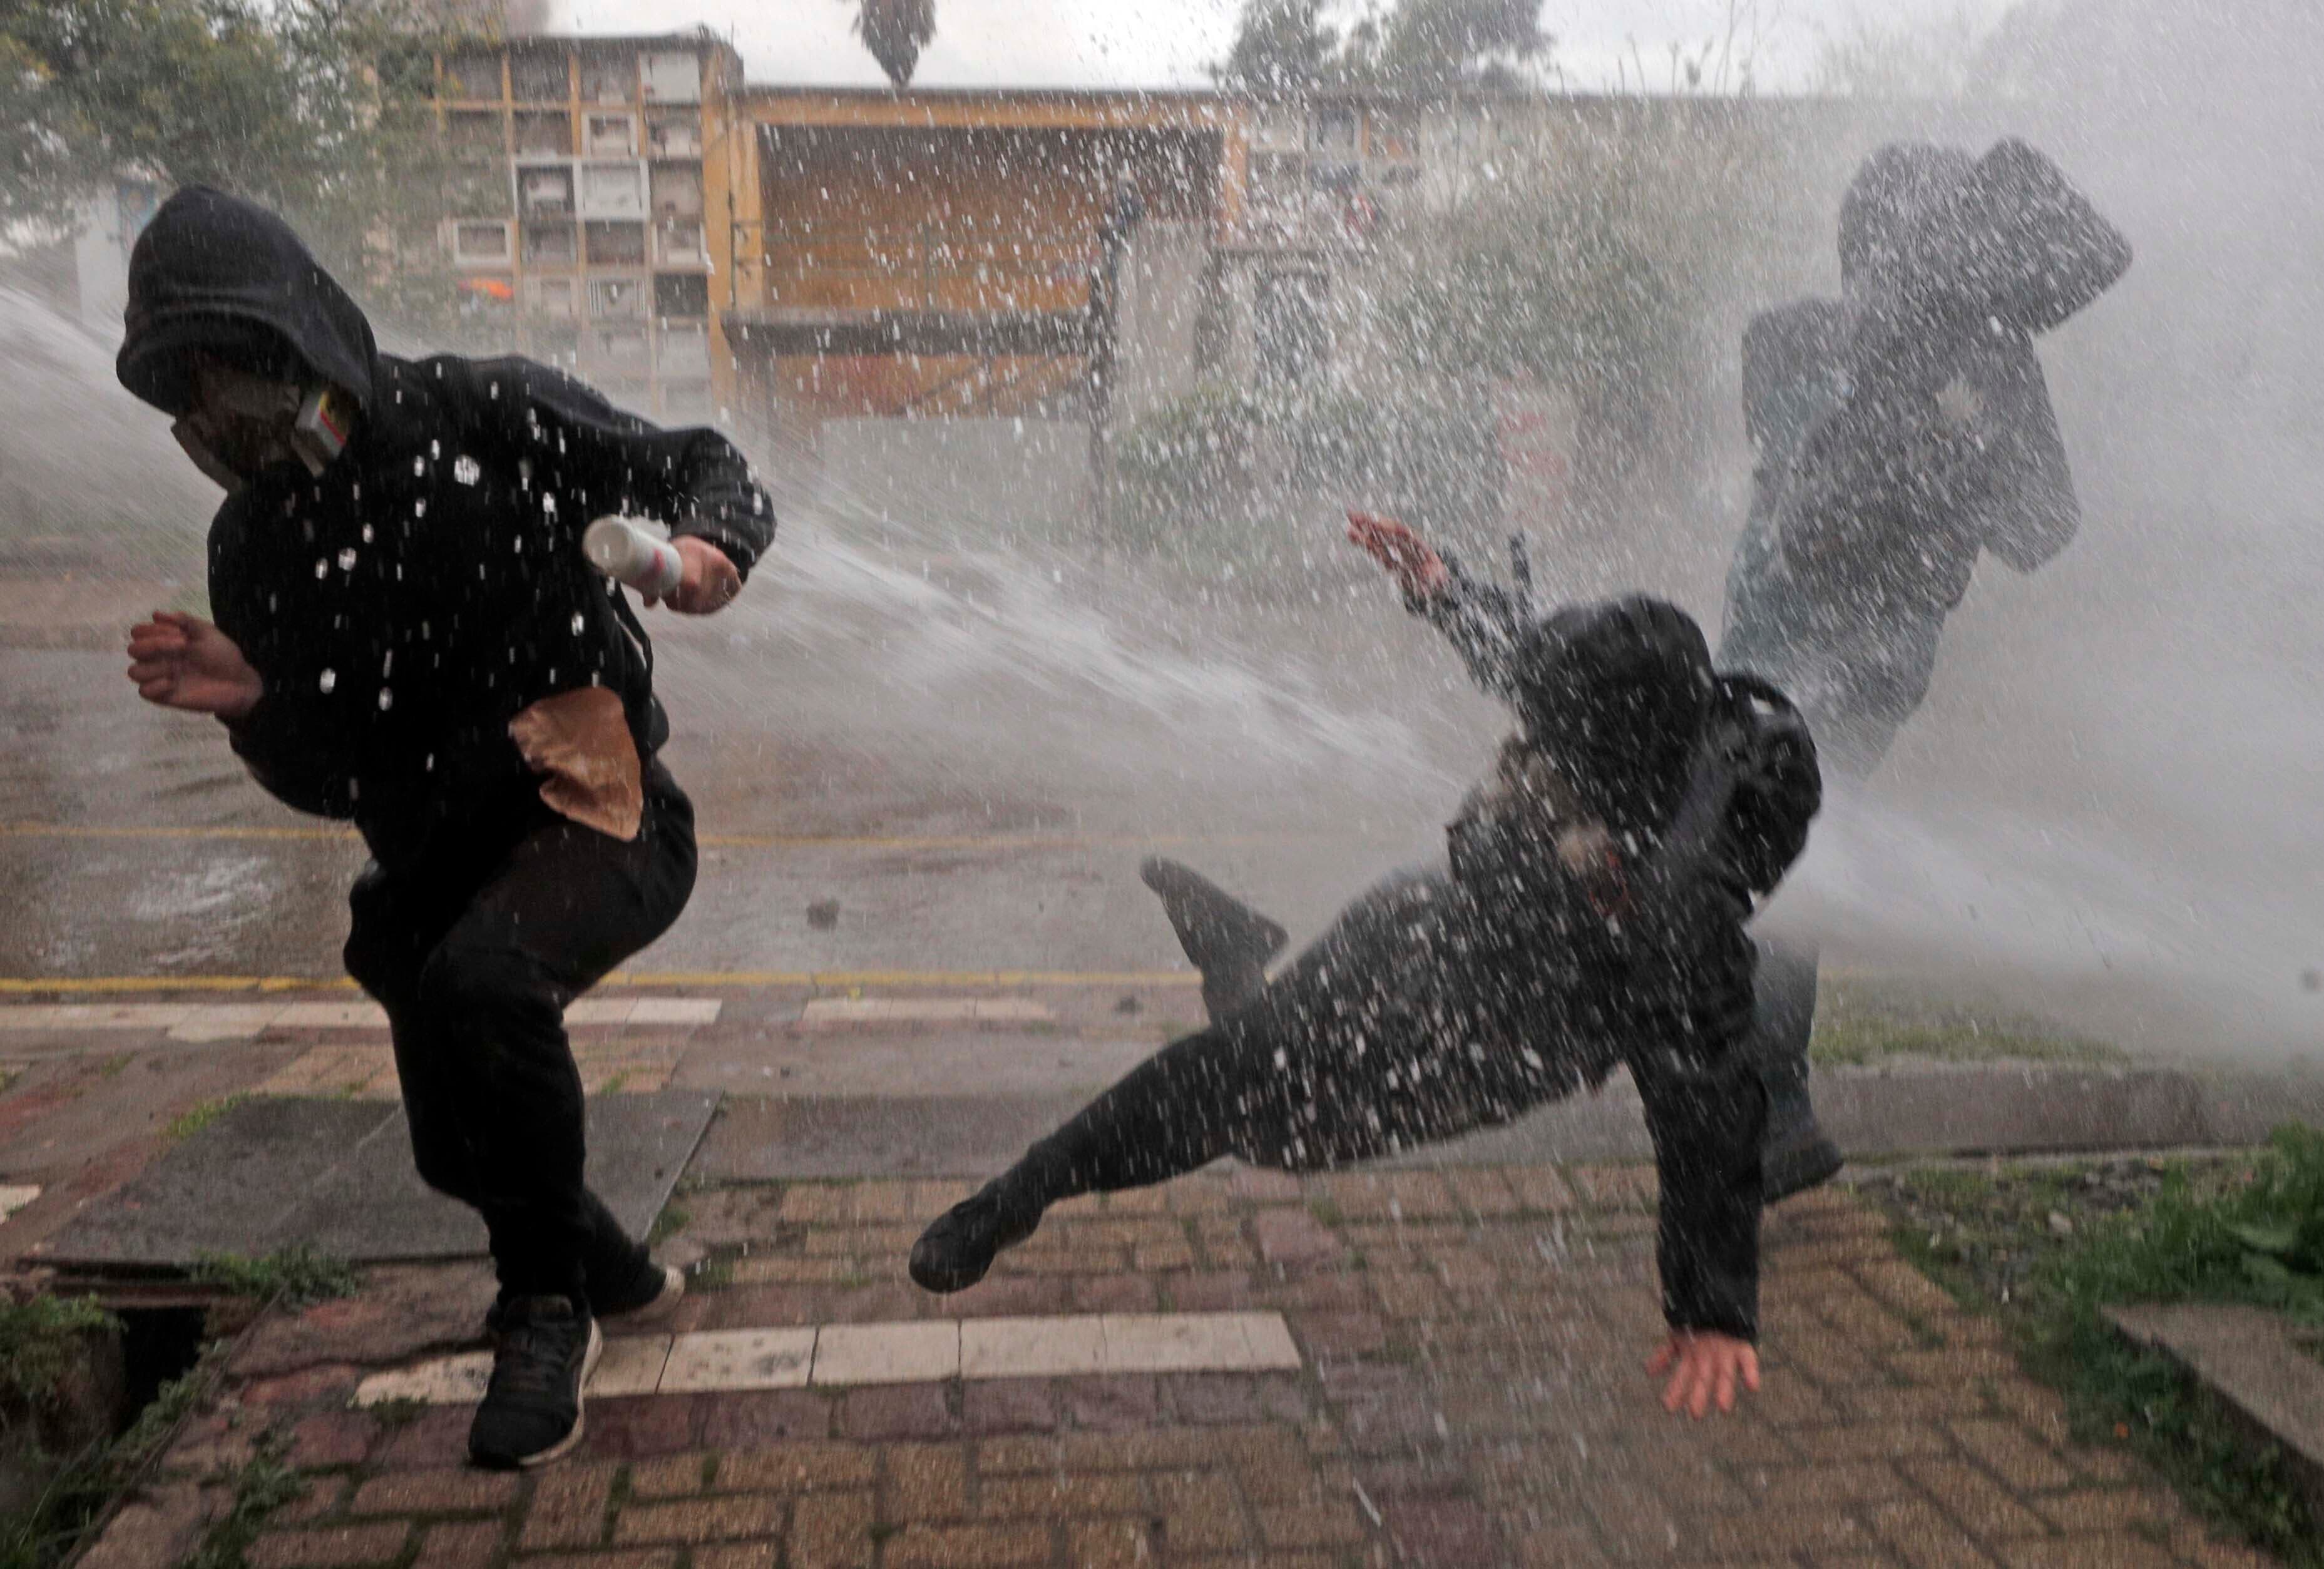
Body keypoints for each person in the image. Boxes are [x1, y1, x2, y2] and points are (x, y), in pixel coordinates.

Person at [115, 187, 775, 1469]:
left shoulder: (483, 413)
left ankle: (546, 1309)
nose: (213, 414)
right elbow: (333, 777)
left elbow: (702, 461)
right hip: (435, 857)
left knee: (487, 985)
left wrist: (709, 551)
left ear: (300, 337)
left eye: (228, 368)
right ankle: (614, 1269)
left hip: (600, 804)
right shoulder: (252, 546)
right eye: (185, 390)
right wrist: (256, 706)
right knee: (451, 1147)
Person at [911, 513, 1821, 1418]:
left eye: (1552, 733)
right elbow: (1531, 661)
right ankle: (1018, 1194)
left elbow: (1704, 1091)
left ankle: (1236, 962)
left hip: (1514, 1024)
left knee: (1272, 1122)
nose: (1530, 735)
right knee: (1245, 1079)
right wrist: (1443, 589)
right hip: (1438, 917)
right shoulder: (1643, 700)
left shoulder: (1678, 900)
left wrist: (1712, 1305)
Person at [1721, 139, 2131, 1202]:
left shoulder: (1792, 335)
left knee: (1765, 861)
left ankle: (1766, 1110)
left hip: (1790, 638)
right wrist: (1960, 450)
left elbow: (1783, 491)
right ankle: (1755, 1103)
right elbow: (2041, 527)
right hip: (1880, 653)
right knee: (1774, 854)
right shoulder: (1985, 361)